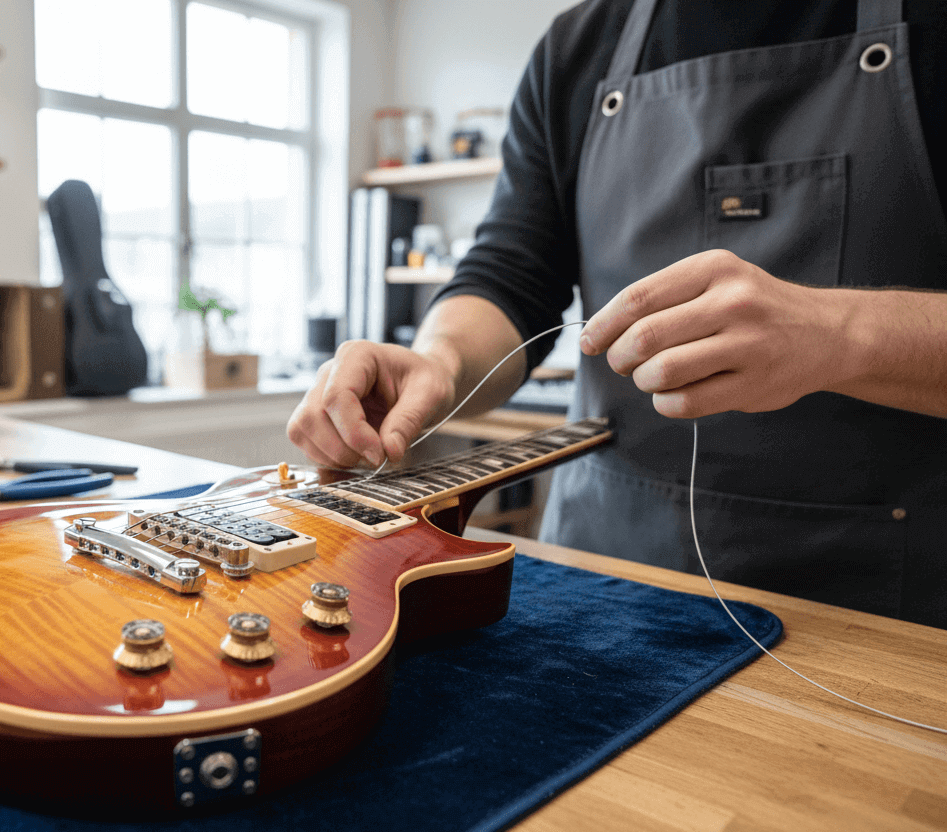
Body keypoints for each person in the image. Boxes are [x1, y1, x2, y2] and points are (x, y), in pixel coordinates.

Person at [287, 0, 947, 629]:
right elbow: (511, 273)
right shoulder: (577, 49)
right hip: (604, 582)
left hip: (881, 610)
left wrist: (844, 334)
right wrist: (439, 360)